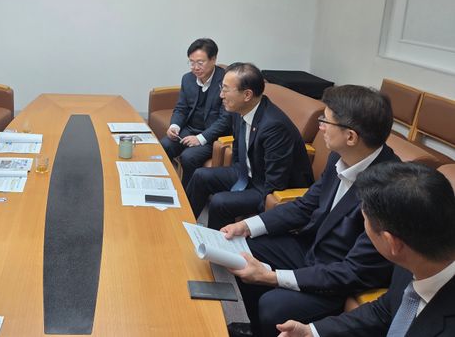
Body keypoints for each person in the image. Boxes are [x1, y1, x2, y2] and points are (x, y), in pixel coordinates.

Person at [222, 85, 397, 337]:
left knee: (272, 305)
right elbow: (305, 206)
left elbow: (354, 271)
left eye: (326, 121)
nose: (320, 126)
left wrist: (272, 277)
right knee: (243, 250)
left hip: (338, 276)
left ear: (350, 137)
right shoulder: (340, 157)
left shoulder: (388, 189)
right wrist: (247, 226)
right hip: (311, 247)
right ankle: (255, 327)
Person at [277, 161, 455, 337]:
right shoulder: (415, 258)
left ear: (391, 242)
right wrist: (311, 332)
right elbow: (385, 310)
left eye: (365, 220)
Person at [185, 62, 313, 230]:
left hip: (268, 187)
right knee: (200, 176)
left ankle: (217, 244)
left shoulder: (274, 126)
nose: (221, 95)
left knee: (220, 202)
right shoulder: (239, 110)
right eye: (221, 88)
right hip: (246, 172)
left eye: (226, 90)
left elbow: (275, 183)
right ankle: (184, 223)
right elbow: (238, 151)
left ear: (247, 95)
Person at [160, 38, 232, 188]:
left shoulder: (226, 82)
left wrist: (200, 138)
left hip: (212, 136)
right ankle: (163, 186)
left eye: (200, 62)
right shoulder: (188, 79)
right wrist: (174, 126)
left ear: (213, 59)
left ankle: (187, 194)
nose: (195, 68)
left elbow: (225, 120)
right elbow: (181, 108)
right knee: (164, 145)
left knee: (189, 157)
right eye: (191, 62)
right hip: (189, 129)